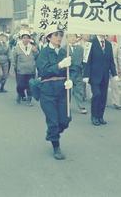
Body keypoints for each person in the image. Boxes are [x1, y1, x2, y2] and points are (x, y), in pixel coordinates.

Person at [36, 26, 72, 160]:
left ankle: (53, 133)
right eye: (56, 35)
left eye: (60, 35)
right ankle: (56, 146)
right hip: (48, 91)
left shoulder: (64, 52)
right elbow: (43, 71)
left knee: (65, 119)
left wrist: (71, 80)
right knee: (53, 121)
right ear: (49, 37)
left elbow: (71, 70)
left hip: (63, 90)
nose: (59, 38)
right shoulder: (44, 53)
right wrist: (59, 66)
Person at [83, 34, 118, 126]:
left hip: (105, 75)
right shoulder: (90, 43)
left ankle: (100, 116)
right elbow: (86, 61)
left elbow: (111, 61)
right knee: (97, 94)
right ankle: (94, 116)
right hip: (94, 75)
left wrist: (114, 74)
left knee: (103, 97)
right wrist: (86, 75)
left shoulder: (108, 44)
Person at [12, 30, 39, 106]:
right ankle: (20, 94)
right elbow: (14, 59)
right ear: (21, 39)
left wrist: (36, 51)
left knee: (30, 86)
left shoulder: (33, 47)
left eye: (27, 38)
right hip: (21, 71)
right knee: (20, 85)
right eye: (24, 38)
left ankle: (29, 100)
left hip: (31, 70)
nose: (26, 39)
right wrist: (13, 69)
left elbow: (37, 57)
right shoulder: (17, 48)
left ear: (29, 39)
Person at [67, 34, 88, 114]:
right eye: (70, 36)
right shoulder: (64, 49)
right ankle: (67, 106)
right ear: (67, 38)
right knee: (67, 90)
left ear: (76, 38)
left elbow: (83, 60)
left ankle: (81, 106)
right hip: (68, 72)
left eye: (73, 37)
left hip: (78, 72)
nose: (72, 38)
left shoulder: (80, 49)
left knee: (79, 90)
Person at [108, 35, 121, 109]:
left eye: (111, 35)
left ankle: (116, 102)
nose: (110, 36)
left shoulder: (116, 46)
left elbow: (119, 58)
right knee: (103, 87)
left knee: (115, 86)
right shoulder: (102, 44)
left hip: (114, 68)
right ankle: (101, 102)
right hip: (104, 68)